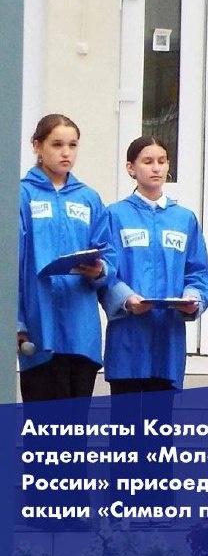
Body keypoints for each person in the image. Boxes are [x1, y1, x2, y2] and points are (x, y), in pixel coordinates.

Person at [101, 135, 208, 392]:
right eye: (147, 161)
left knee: (161, 414)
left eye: (162, 161)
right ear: (131, 168)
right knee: (126, 414)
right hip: (128, 337)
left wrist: (192, 298)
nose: (156, 168)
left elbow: (197, 271)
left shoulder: (184, 219)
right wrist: (126, 298)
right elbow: (105, 271)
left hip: (167, 338)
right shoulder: (114, 215)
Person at [17, 113, 114, 402]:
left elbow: (109, 252)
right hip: (39, 325)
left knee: (75, 422)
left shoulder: (89, 198)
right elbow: (10, 264)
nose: (66, 153)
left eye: (72, 145)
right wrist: (17, 322)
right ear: (37, 146)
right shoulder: (21, 194)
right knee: (44, 421)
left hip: (80, 330)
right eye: (57, 144)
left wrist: (100, 270)